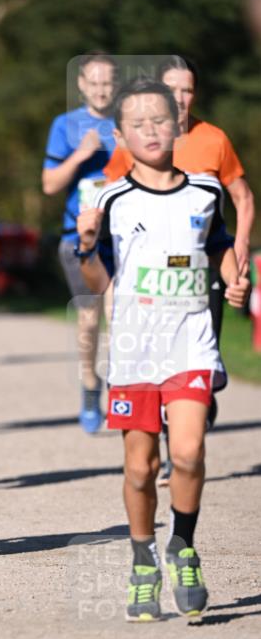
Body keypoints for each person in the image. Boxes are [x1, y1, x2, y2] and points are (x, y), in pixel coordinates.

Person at [76, 79, 249, 623]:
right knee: (139, 469)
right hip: (134, 350)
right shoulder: (110, 200)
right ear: (121, 134)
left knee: (190, 453)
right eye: (138, 123)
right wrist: (84, 244)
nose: (151, 130)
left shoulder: (205, 191)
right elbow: (95, 281)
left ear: (178, 124)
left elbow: (219, 247)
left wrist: (233, 278)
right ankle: (143, 557)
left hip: (191, 342)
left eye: (160, 120)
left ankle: (185, 546)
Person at [104, 56, 256, 481]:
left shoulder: (213, 139)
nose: (182, 98)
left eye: (188, 90)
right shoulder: (135, 140)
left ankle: (194, 407)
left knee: (196, 346)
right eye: (173, 91)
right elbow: (109, 199)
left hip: (201, 265)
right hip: (146, 278)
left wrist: (239, 244)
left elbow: (241, 197)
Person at [42, 52, 118, 433]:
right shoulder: (66, 126)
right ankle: (90, 382)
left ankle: (125, 389)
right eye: (95, 82)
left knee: (121, 312)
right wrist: (82, 155)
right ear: (82, 85)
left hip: (125, 237)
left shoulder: (131, 123)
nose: (102, 89)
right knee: (90, 318)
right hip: (79, 237)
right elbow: (50, 184)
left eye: (108, 82)